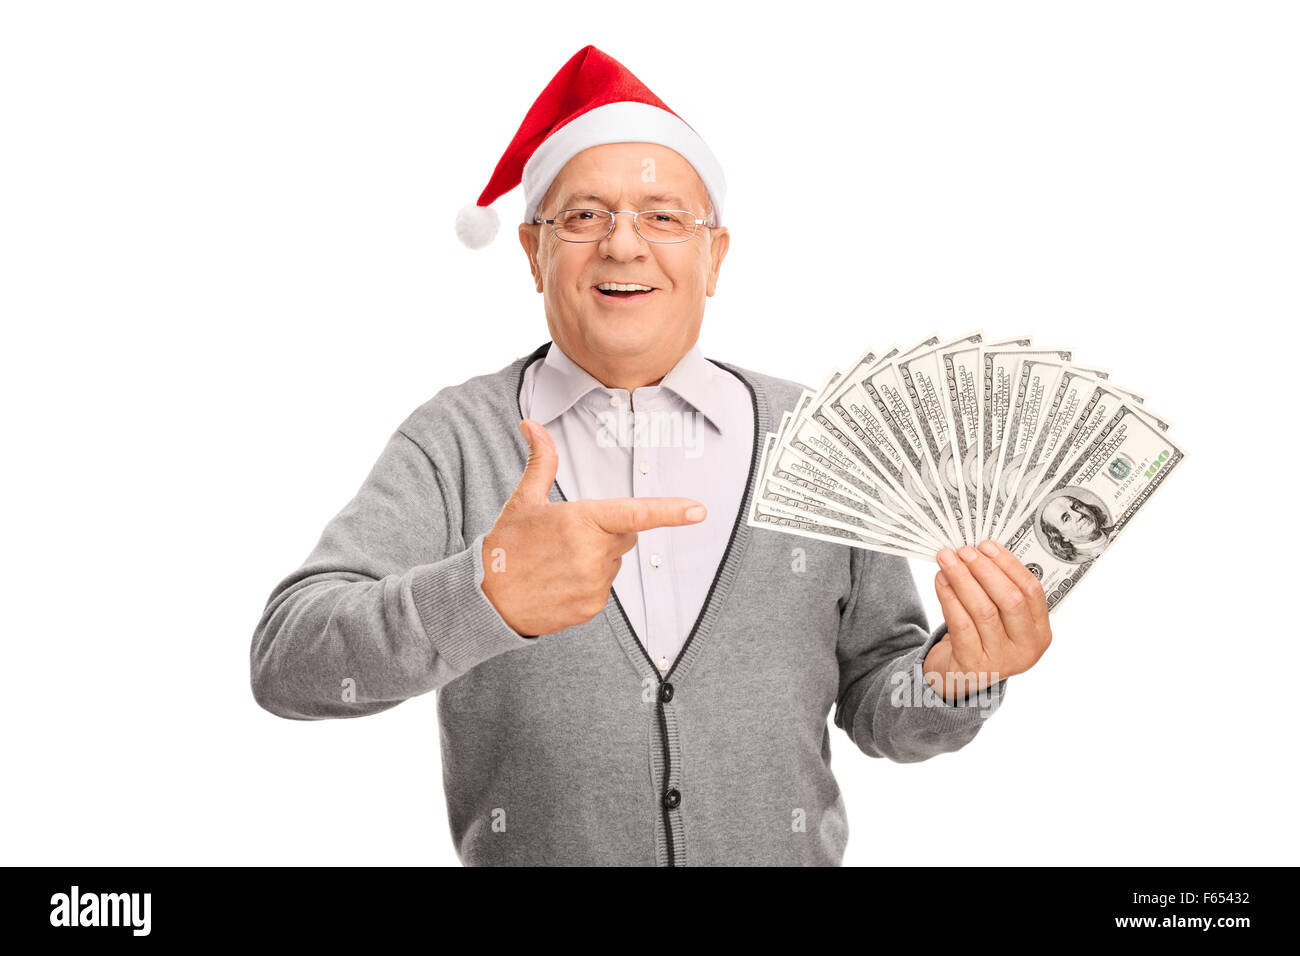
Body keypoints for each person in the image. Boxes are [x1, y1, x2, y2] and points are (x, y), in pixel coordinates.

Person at [249, 45, 1053, 866]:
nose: (624, 246)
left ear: (715, 256)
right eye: (583, 216)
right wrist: (484, 593)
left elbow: (880, 702)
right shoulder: (454, 439)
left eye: (664, 218)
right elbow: (286, 663)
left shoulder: (820, 438)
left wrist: (958, 672)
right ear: (532, 253)